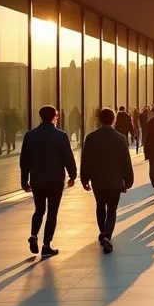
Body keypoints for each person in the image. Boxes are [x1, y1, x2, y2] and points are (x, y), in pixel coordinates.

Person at [20, 105, 77, 258]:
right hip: (55, 180)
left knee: (39, 209)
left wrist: (24, 180)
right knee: (52, 212)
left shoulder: (30, 136)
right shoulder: (61, 136)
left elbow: (24, 160)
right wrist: (73, 175)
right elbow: (67, 158)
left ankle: (34, 235)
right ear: (55, 116)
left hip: (37, 179)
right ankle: (46, 244)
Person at [80, 108, 134, 254]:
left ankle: (103, 232)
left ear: (99, 120)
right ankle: (107, 235)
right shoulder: (120, 138)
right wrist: (128, 179)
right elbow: (125, 161)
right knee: (112, 210)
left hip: (98, 179)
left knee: (100, 206)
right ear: (114, 119)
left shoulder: (91, 138)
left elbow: (86, 160)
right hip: (115, 180)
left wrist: (84, 178)